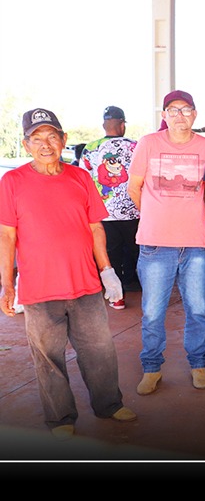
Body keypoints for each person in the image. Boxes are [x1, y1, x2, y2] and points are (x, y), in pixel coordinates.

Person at [0, 108, 136, 439]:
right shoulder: (12, 182)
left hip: (85, 283)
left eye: (52, 137)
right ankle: (61, 416)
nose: (45, 144)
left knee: (100, 349)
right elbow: (7, 235)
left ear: (63, 140)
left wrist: (107, 270)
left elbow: (95, 227)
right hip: (39, 288)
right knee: (48, 357)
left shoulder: (80, 177)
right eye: (37, 138)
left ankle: (108, 404)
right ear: (26, 143)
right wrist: (7, 284)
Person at [128, 90, 205, 394]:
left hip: (195, 244)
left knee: (198, 309)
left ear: (195, 114)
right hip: (155, 244)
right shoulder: (149, 143)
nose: (180, 115)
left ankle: (198, 364)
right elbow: (134, 187)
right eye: (173, 110)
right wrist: (154, 215)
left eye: (186, 109)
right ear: (164, 115)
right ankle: (151, 369)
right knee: (153, 311)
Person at [80, 105, 140, 307]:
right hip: (133, 209)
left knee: (110, 251)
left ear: (104, 125)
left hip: (103, 212)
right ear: (122, 125)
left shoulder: (90, 148)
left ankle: (116, 292)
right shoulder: (135, 146)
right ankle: (132, 283)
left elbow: (84, 180)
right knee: (134, 249)